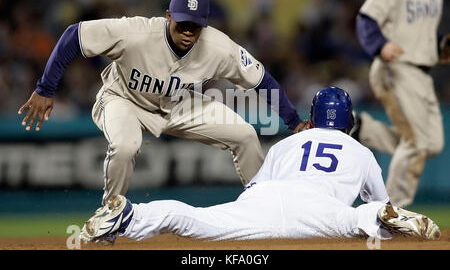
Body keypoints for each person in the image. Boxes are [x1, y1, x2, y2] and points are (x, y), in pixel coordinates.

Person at [18, 0, 306, 205]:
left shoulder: (220, 48)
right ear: (168, 16)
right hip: (123, 99)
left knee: (244, 135)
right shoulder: (134, 32)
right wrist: (45, 88)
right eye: (182, 23)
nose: (188, 31)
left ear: (204, 25)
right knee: (125, 147)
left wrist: (293, 121)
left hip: (179, 105)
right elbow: (74, 35)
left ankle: (261, 208)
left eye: (195, 25)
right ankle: (110, 214)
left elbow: (260, 80)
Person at [79, 87, 440, 244]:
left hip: (266, 198)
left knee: (194, 218)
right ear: (348, 124)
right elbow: (381, 198)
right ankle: (377, 220)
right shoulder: (360, 152)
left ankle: (129, 215)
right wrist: (383, 213)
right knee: (366, 217)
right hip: (320, 209)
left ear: (311, 120)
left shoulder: (286, 143)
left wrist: (249, 212)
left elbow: (253, 188)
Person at [354, 0, 449, 207]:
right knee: (417, 142)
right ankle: (392, 212)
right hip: (396, 66)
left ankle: (360, 128)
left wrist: (439, 44)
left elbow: (420, 30)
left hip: (422, 72)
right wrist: (379, 45)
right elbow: (366, 18)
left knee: (432, 143)